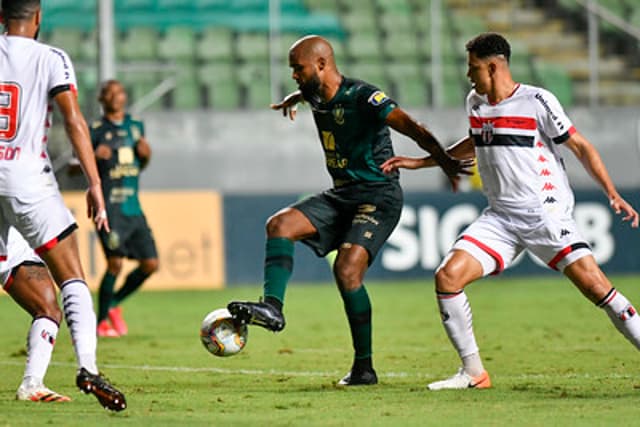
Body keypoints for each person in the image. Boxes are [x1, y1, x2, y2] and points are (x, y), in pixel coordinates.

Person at [381, 32, 640, 390]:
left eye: (473, 68)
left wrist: (612, 193)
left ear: (493, 66)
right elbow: (475, 140)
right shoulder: (476, 101)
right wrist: (425, 161)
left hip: (544, 215)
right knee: (447, 277)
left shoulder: (536, 101)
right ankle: (474, 373)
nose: (469, 75)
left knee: (599, 289)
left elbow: (580, 146)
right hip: (501, 218)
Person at [228, 35, 472, 386]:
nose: (294, 75)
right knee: (279, 224)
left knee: (347, 270)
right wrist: (295, 97)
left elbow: (414, 128)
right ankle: (273, 308)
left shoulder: (364, 97)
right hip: (342, 195)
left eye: (298, 68)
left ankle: (364, 367)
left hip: (378, 196)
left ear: (322, 64)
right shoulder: (314, 93)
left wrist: (444, 161)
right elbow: (309, 92)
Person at [0, 0, 126, 410]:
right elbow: (73, 120)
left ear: (1, 17)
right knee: (72, 275)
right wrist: (94, 182)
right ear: (38, 18)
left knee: (45, 304)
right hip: (26, 182)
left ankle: (32, 383)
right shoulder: (51, 57)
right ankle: (87, 366)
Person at [90, 79, 158, 337]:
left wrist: (147, 155)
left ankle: (112, 305)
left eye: (119, 91)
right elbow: (76, 167)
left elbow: (139, 166)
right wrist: (95, 156)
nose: (116, 96)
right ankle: (100, 323)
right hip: (110, 208)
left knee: (151, 264)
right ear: (101, 99)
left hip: (133, 207)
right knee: (115, 264)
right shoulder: (95, 130)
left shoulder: (136, 126)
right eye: (109, 92)